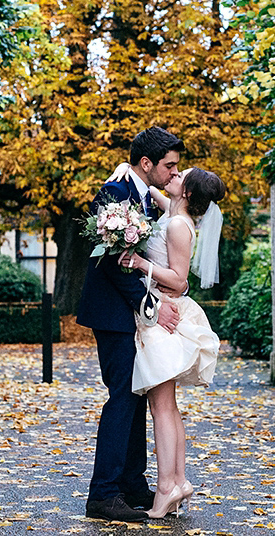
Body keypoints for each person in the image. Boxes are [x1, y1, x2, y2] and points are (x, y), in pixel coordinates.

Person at [77, 127, 185, 523]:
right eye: (169, 166)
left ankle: (132, 483)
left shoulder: (141, 196)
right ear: (146, 164)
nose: (174, 173)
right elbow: (111, 261)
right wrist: (150, 304)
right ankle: (103, 493)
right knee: (122, 395)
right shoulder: (115, 193)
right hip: (112, 313)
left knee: (136, 394)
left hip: (131, 314)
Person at [117, 166, 227, 519]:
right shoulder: (174, 212)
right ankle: (177, 481)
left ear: (189, 193)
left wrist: (138, 263)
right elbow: (152, 193)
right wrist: (126, 168)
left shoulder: (179, 225)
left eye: (182, 175)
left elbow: (179, 281)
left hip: (162, 317)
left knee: (161, 407)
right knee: (169, 406)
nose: (175, 174)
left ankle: (166, 488)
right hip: (159, 312)